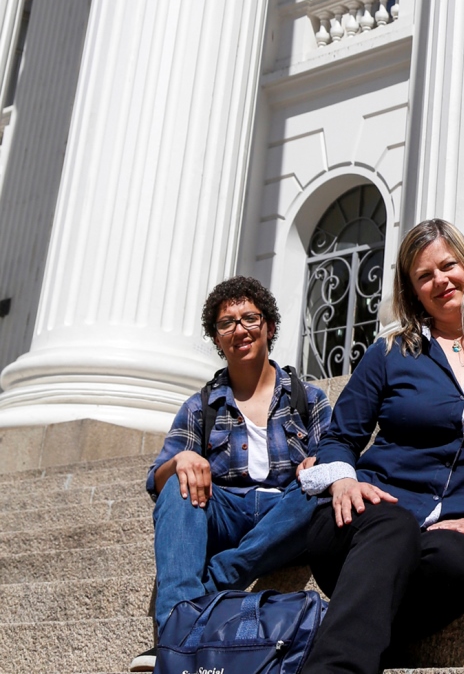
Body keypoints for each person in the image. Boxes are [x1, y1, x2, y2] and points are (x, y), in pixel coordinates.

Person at [297, 219, 464, 674]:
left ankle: (365, 637)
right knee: (394, 526)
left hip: (443, 535)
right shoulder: (390, 352)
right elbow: (341, 436)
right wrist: (341, 482)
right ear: (412, 290)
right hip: (360, 524)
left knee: (462, 562)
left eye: (448, 266)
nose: (440, 281)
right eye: (424, 276)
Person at [130, 276, 331, 672]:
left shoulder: (308, 397)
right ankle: (176, 631)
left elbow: (337, 453)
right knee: (177, 488)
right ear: (217, 338)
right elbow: (156, 480)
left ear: (269, 327)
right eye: (227, 323)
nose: (239, 329)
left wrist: (319, 463)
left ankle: (217, 579)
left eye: (249, 318)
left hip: (285, 514)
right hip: (225, 511)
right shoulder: (200, 405)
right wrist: (180, 462)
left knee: (322, 484)